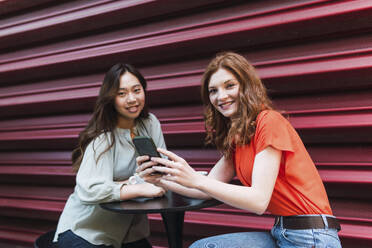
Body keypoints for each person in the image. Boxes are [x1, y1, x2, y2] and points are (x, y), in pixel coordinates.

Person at [137, 52, 342, 248]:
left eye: (229, 86)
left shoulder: (269, 122)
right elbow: (202, 190)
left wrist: (196, 178)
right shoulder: (238, 139)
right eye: (213, 90)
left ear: (246, 86)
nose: (221, 96)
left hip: (312, 237)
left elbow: (258, 200)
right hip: (282, 232)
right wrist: (161, 179)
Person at [53, 63, 166, 248]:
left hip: (129, 234)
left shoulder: (150, 123)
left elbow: (162, 168)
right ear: (110, 98)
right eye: (122, 93)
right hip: (86, 231)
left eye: (136, 90)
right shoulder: (103, 136)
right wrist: (138, 188)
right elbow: (88, 189)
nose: (132, 99)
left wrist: (134, 181)